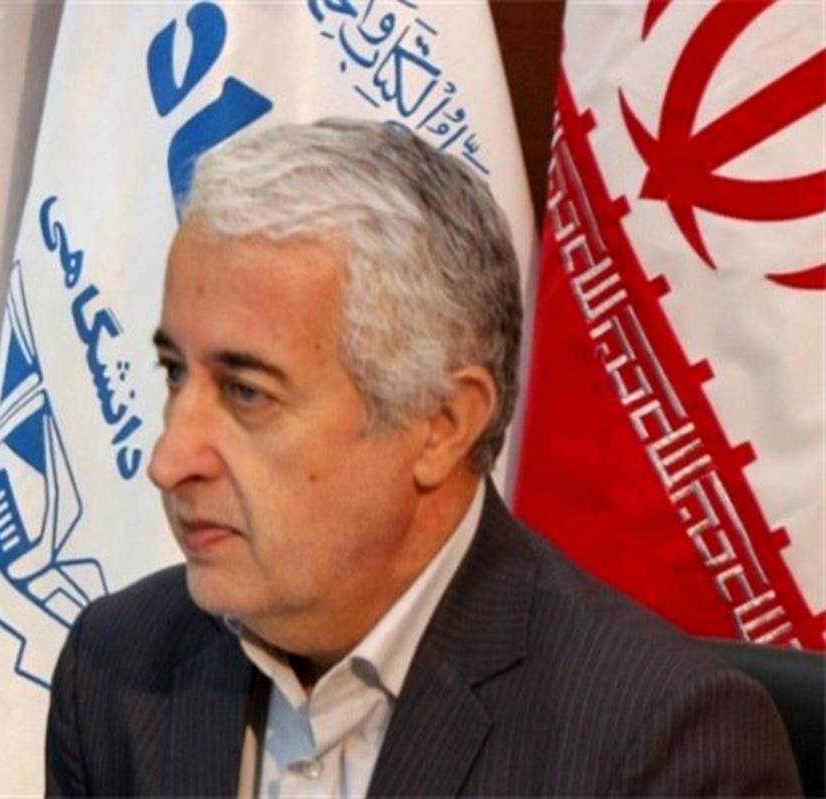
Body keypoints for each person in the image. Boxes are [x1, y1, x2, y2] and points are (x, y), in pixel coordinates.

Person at [45, 118, 800, 797]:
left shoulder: (660, 743)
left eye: (247, 392)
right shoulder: (118, 670)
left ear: (442, 425)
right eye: (175, 373)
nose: (169, 459)